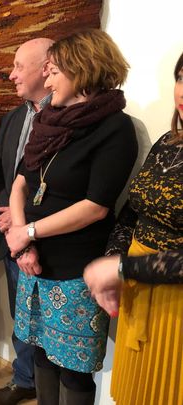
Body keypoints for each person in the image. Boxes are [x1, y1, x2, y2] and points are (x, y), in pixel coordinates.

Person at [5, 30, 138, 404]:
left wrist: (28, 231)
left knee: (74, 372)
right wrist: (22, 240)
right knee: (41, 353)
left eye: (53, 72)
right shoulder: (50, 121)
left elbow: (95, 206)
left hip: (76, 270)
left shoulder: (115, 128)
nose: (47, 82)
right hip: (34, 263)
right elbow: (20, 184)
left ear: (81, 70)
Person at [83, 51, 183, 405]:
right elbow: (132, 212)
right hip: (139, 292)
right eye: (181, 78)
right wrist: (115, 257)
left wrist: (124, 267)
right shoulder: (167, 143)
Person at [0, 37, 54, 405]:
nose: (11, 75)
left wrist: (22, 220)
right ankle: (25, 378)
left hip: (47, 236)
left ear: (46, 68)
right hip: (11, 233)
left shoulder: (69, 116)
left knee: (49, 322)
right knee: (22, 314)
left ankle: (48, 388)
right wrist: (5, 210)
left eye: (18, 66)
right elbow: (2, 173)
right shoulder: (14, 118)